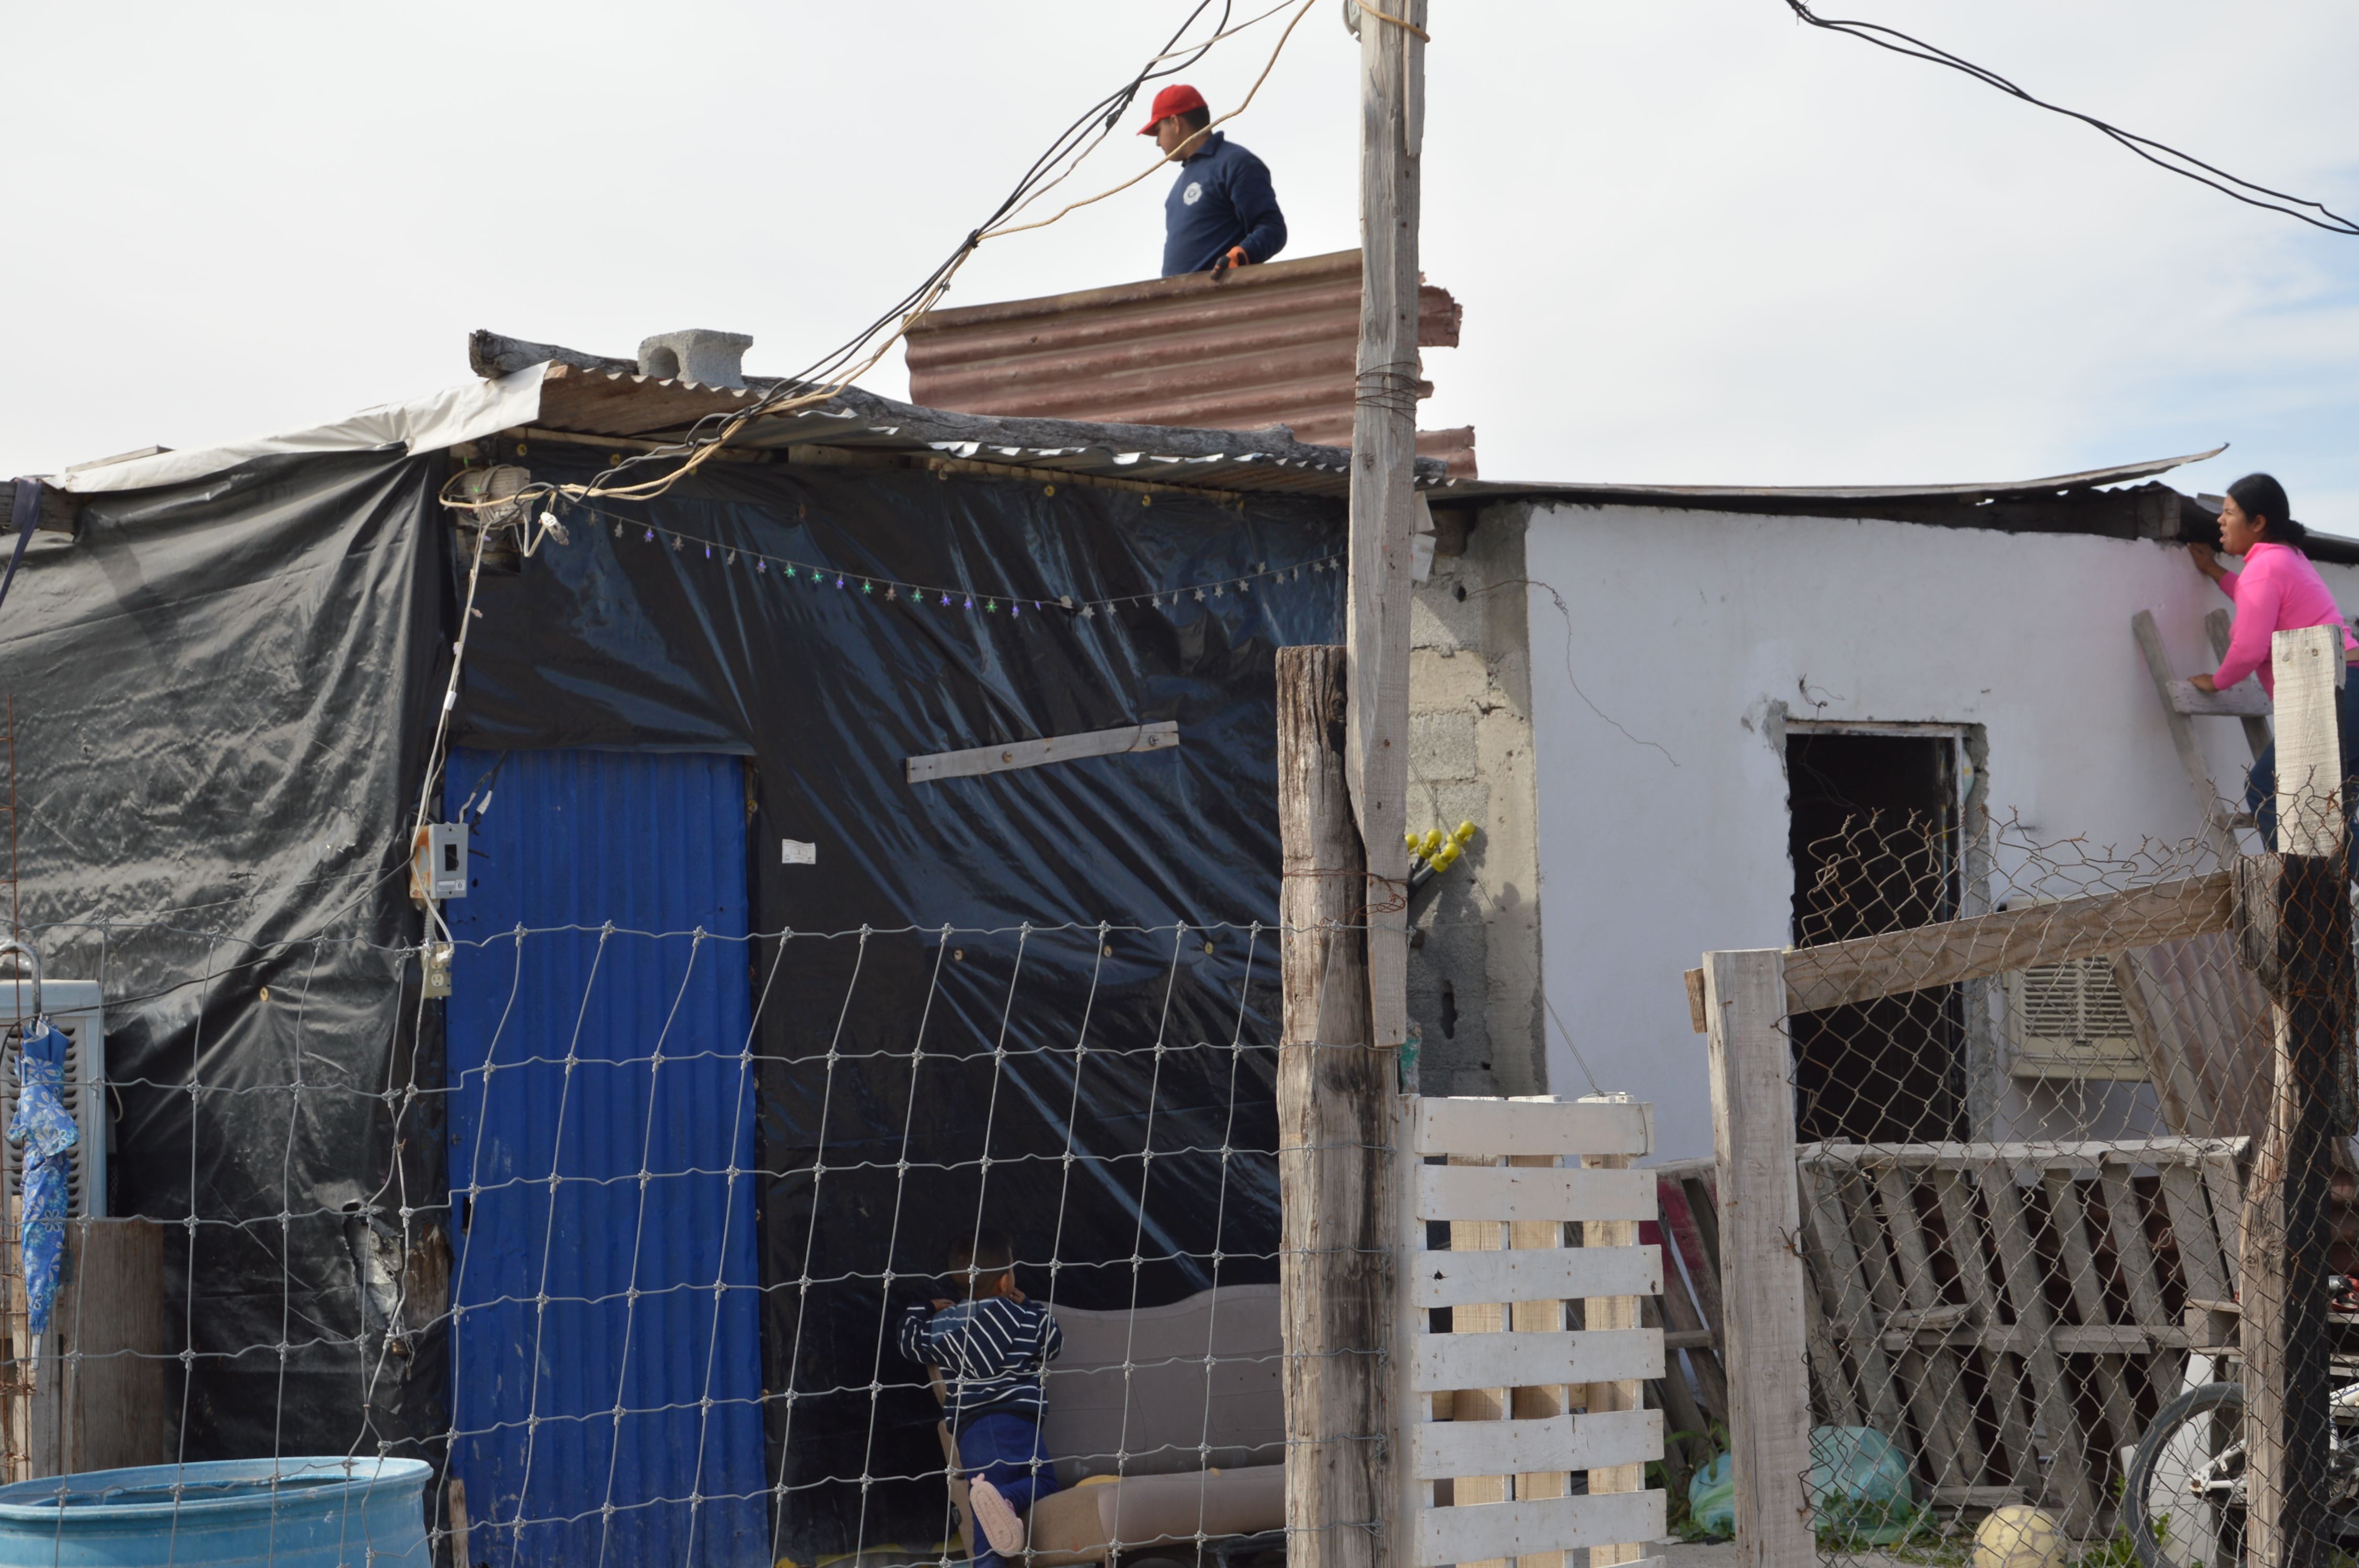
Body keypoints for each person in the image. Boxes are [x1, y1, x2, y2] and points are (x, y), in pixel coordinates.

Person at [2186, 471, 2359, 856]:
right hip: (2351, 684)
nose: (2220, 520)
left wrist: (2216, 682)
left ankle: (2301, 891)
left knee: (2268, 790)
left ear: (2258, 522)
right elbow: (2259, 599)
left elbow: (2248, 650)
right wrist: (2216, 572)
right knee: (2335, 808)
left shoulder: (2263, 569)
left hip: (2335, 691)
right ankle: (2323, 900)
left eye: (2229, 512)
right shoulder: (2287, 558)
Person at [897, 1231, 1064, 1568]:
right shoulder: (1027, 1319)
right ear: (1005, 1283)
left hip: (975, 1435)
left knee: (984, 1527)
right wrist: (1027, 1305)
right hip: (1020, 1425)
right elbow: (1054, 1342)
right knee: (1044, 1483)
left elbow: (908, 1341)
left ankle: (996, 1506)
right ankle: (1007, 1498)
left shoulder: (944, 1326)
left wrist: (924, 1307)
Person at [1137, 83, 1287, 278]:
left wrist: (1242, 255)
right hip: (1180, 305)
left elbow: (1273, 228)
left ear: (1175, 123)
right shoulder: (1177, 189)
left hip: (1222, 301)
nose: (1157, 142)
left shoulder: (1235, 163)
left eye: (1158, 130)